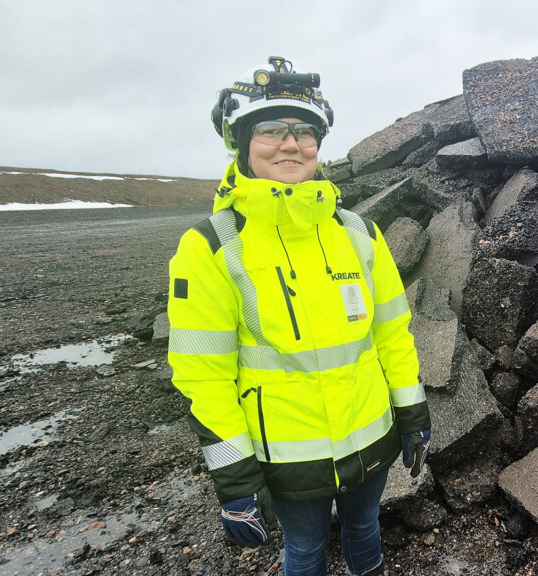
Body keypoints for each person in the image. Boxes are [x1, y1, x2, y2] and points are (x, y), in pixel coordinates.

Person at [167, 56, 432, 576]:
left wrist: (413, 413)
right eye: (271, 130)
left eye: (304, 132)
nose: (290, 144)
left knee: (364, 529)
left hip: (372, 434)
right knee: (305, 552)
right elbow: (204, 373)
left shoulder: (359, 233)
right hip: (287, 457)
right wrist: (236, 480)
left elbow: (392, 335)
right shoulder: (212, 247)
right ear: (241, 143)